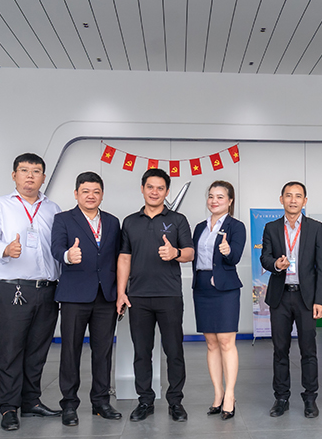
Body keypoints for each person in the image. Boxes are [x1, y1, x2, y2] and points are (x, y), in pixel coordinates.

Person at [0, 153, 62, 431]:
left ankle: (31, 401)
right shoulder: (0, 206)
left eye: (36, 171)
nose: (30, 176)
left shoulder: (53, 209)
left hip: (47, 289)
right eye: (24, 170)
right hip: (14, 289)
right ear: (14, 175)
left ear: (43, 177)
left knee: (38, 350)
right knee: (11, 350)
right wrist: (5, 249)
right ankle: (8, 407)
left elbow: (58, 247)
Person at [116, 168, 195, 422]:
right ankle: (145, 401)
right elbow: (124, 258)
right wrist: (121, 292)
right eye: (150, 187)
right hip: (138, 297)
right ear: (142, 189)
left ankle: (175, 402)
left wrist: (175, 253)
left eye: (160, 188)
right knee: (142, 352)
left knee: (174, 351)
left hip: (169, 296)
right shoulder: (130, 222)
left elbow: (190, 253)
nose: (154, 192)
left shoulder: (178, 220)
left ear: (167, 191)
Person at [50, 172, 121, 426]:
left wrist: (120, 291)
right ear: (76, 194)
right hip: (74, 296)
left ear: (102, 194)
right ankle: (69, 404)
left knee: (103, 352)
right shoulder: (63, 219)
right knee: (70, 351)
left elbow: (118, 257)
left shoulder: (112, 222)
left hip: (105, 296)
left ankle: (101, 402)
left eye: (96, 192)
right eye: (85, 191)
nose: (91, 196)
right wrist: (68, 255)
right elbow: (56, 248)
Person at [260, 181, 322, 418]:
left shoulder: (315, 228)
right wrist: (276, 264)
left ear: (305, 201)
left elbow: (321, 267)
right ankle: (281, 398)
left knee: (309, 350)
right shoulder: (271, 227)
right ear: (281, 199)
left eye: (298, 196)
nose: (293, 200)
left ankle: (310, 398)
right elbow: (265, 258)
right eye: (288, 195)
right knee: (280, 350)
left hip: (306, 298)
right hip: (280, 297)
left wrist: (320, 300)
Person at [191, 181, 246, 421]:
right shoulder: (199, 227)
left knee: (226, 341)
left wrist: (227, 251)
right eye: (211, 196)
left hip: (225, 289)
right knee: (211, 342)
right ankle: (218, 394)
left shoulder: (236, 226)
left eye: (220, 197)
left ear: (230, 201)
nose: (214, 201)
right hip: (202, 287)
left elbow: (235, 257)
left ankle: (230, 395)